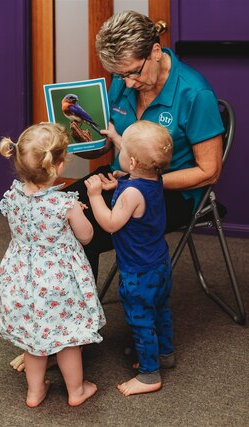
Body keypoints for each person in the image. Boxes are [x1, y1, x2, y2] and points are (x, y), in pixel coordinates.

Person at [10, 9, 225, 372]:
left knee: (85, 233)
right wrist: (73, 141)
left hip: (169, 191)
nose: (126, 83)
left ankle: (70, 335)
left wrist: (143, 182)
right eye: (119, 75)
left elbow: (209, 171)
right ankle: (57, 334)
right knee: (60, 215)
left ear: (155, 52)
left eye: (132, 73)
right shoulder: (123, 80)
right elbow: (108, 145)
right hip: (121, 178)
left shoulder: (194, 92)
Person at [0, 122, 106, 407]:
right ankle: (76, 391)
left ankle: (34, 392)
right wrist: (76, 214)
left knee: (34, 340)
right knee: (68, 339)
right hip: (58, 281)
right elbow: (86, 236)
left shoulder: (12, 196)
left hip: (21, 278)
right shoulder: (64, 204)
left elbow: (32, 221)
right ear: (58, 166)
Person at [85, 120, 174, 396]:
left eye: (123, 150)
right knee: (160, 310)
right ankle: (165, 354)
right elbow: (135, 175)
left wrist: (95, 196)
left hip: (138, 271)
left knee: (141, 319)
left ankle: (149, 375)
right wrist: (119, 181)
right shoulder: (153, 177)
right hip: (159, 263)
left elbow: (111, 223)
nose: (120, 152)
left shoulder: (132, 193)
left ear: (133, 162)